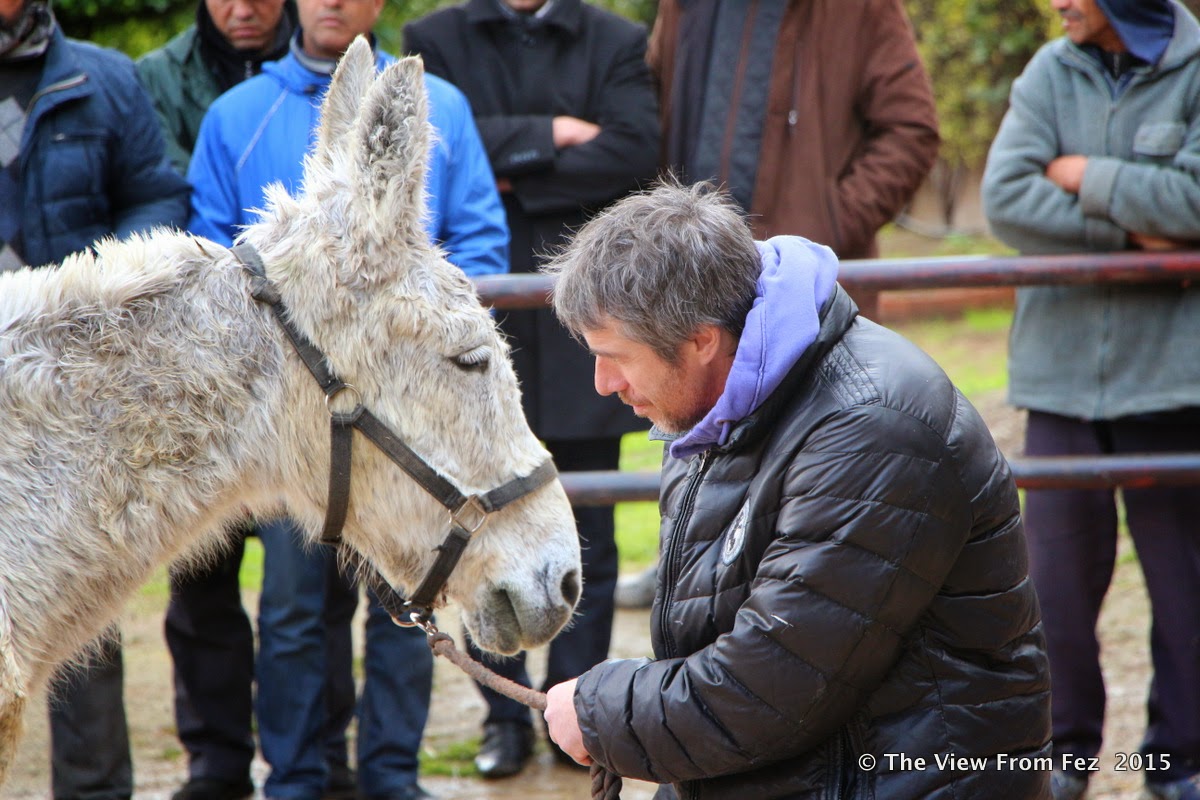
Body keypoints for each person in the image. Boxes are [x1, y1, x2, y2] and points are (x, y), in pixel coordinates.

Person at [538, 180, 1052, 799]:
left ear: (702, 340)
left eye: (615, 355)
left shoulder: (870, 428)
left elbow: (771, 687)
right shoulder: (719, 408)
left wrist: (601, 711)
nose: (602, 383)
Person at [186, 0, 509, 796]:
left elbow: (479, 242)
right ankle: (297, 777)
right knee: (295, 612)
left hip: (405, 428)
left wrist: (409, 322)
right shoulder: (239, 115)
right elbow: (210, 253)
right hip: (297, 427)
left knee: (410, 604)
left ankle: (391, 775)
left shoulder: (444, 110)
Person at [613, 0, 941, 609]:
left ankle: (800, 595)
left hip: (800, 295)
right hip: (689, 292)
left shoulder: (858, 10)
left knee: (808, 446)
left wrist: (829, 221)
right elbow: (653, 116)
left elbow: (911, 128)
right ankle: (685, 571)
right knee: (695, 430)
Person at [401, 0, 658, 779]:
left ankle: (574, 711)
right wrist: (554, 134)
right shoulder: (430, 39)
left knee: (590, 526)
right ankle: (507, 714)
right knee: (483, 523)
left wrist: (502, 155)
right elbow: (440, 152)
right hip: (475, 326)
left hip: (584, 319)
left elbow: (633, 155)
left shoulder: (616, 40)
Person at [981, 1, 1200, 798]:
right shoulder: (1048, 71)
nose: (1058, 1)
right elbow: (1006, 198)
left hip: (1175, 385)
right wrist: (1143, 233)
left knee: (1187, 600)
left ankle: (1179, 764)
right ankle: (1065, 764)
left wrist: (1083, 176)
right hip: (1062, 383)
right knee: (1056, 600)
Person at [0, 0, 190, 798]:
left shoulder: (105, 80)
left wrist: (89, 289)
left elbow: (154, 198)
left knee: (80, 598)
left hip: (71, 389)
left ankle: (95, 790)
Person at [134, 3, 294, 799]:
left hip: (302, 371)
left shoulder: (333, 73)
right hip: (200, 370)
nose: (246, 7)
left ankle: (309, 761)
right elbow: (163, 201)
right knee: (201, 579)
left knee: (311, 583)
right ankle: (216, 760)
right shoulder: (156, 80)